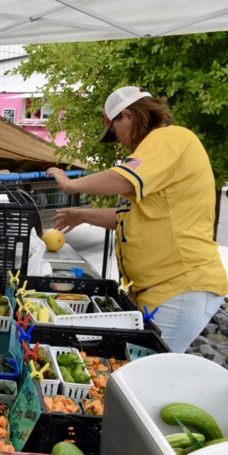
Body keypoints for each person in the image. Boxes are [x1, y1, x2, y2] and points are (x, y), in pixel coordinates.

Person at [46, 85, 228, 353]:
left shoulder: (169, 139)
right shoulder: (162, 152)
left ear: (128, 116)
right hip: (164, 290)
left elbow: (120, 178)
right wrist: (82, 215)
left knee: (143, 371)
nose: (118, 139)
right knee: (135, 368)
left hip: (179, 286)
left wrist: (70, 184)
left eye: (114, 131)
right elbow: (129, 216)